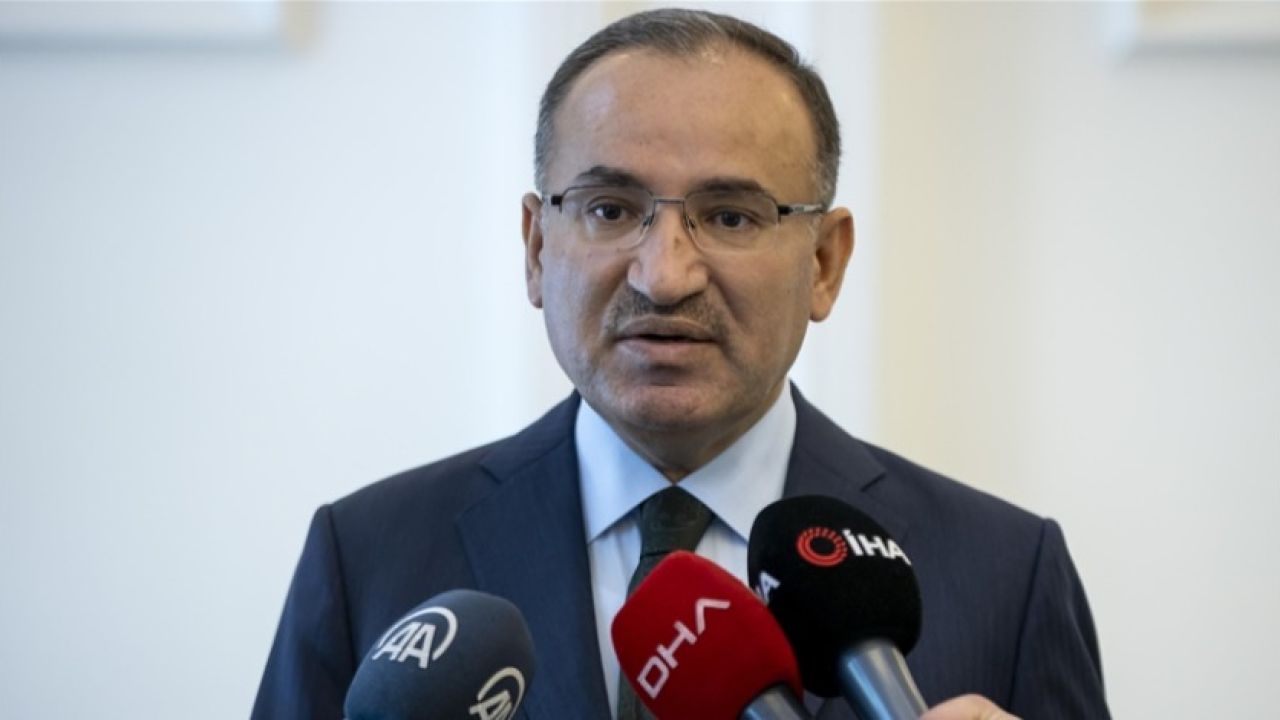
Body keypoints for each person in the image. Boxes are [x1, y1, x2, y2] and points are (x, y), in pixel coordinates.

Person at [252, 9, 1108, 720]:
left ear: (824, 263)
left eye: (730, 216)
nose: (663, 276)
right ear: (536, 248)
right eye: (610, 208)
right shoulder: (366, 559)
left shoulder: (1005, 574)